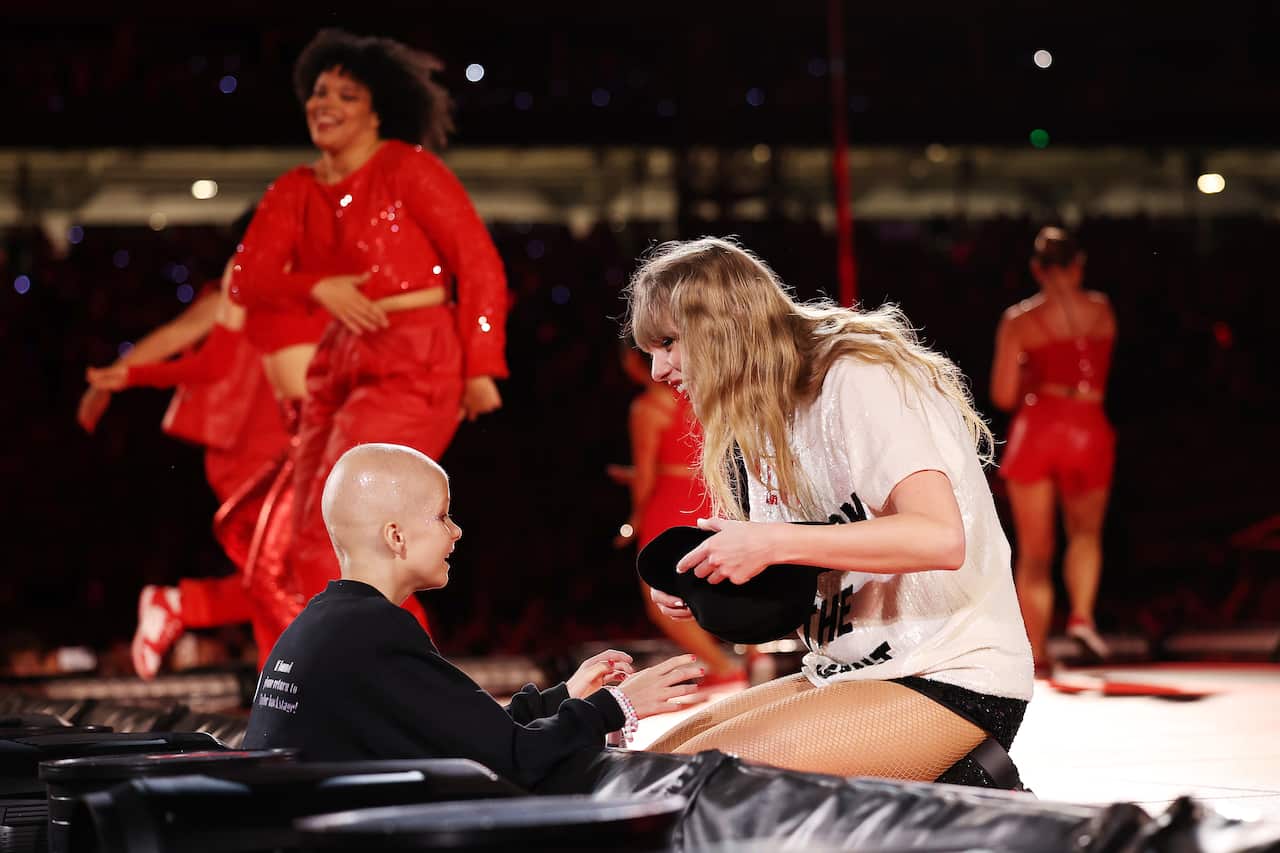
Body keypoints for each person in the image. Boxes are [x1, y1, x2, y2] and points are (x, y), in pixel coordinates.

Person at [623, 237, 1033, 785]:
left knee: (699, 784)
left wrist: (770, 543)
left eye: (669, 343)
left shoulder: (856, 376)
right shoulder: (762, 414)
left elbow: (939, 538)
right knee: (645, 775)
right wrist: (710, 579)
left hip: (949, 674)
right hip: (842, 674)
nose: (657, 370)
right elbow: (807, 580)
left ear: (721, 325)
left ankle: (965, 786)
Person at [227, 29, 508, 614]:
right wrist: (317, 287)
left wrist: (481, 366)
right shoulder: (295, 189)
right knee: (315, 538)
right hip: (339, 356)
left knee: (365, 536)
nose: (324, 103)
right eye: (319, 91)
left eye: (346, 95)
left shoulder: (407, 169)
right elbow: (245, 280)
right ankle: (360, 683)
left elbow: (478, 263)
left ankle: (401, 690)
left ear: (379, 112)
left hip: (416, 353)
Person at [242, 443, 702, 789]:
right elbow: (511, 758)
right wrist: (618, 706)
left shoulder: (327, 623)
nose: (457, 531)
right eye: (442, 517)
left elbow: (464, 729)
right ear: (396, 537)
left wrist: (563, 696)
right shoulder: (374, 633)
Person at [85, 258, 297, 675]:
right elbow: (176, 334)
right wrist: (113, 378)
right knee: (284, 579)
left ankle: (183, 608)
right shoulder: (236, 295)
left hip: (292, 458)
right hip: (247, 464)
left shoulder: (318, 297)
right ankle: (185, 608)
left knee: (295, 579)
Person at [990, 226, 1117, 672]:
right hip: (1088, 426)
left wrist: (1029, 377)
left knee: (1036, 552)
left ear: (1036, 269)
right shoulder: (1102, 310)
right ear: (1079, 264)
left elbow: (1004, 395)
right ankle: (1082, 613)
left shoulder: (1019, 320)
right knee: (1084, 534)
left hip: (1040, 429)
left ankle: (1037, 652)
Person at [613, 346, 745, 686]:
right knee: (710, 580)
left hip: (669, 501)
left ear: (631, 362)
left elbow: (646, 473)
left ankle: (721, 667)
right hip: (705, 493)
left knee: (659, 594)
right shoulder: (696, 398)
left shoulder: (647, 408)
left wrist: (635, 518)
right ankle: (749, 656)